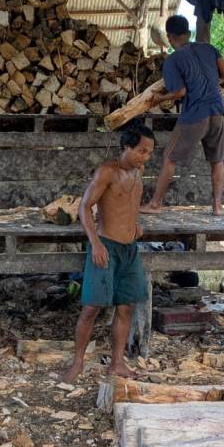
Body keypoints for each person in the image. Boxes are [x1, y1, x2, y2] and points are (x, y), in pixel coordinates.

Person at [61, 123, 155, 384]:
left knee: (126, 307)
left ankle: (117, 363)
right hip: (106, 246)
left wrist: (134, 224)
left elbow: (129, 203)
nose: (145, 157)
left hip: (129, 249)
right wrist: (96, 243)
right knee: (92, 307)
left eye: (149, 153)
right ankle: (77, 363)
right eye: (141, 151)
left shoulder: (139, 172)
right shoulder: (107, 172)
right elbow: (84, 207)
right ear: (126, 147)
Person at [140, 15, 224, 215]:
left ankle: (155, 204)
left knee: (169, 157)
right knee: (217, 160)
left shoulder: (173, 60)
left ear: (169, 37)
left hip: (195, 114)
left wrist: (158, 99)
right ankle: (217, 206)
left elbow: (181, 92)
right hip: (217, 110)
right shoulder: (209, 48)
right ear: (188, 33)